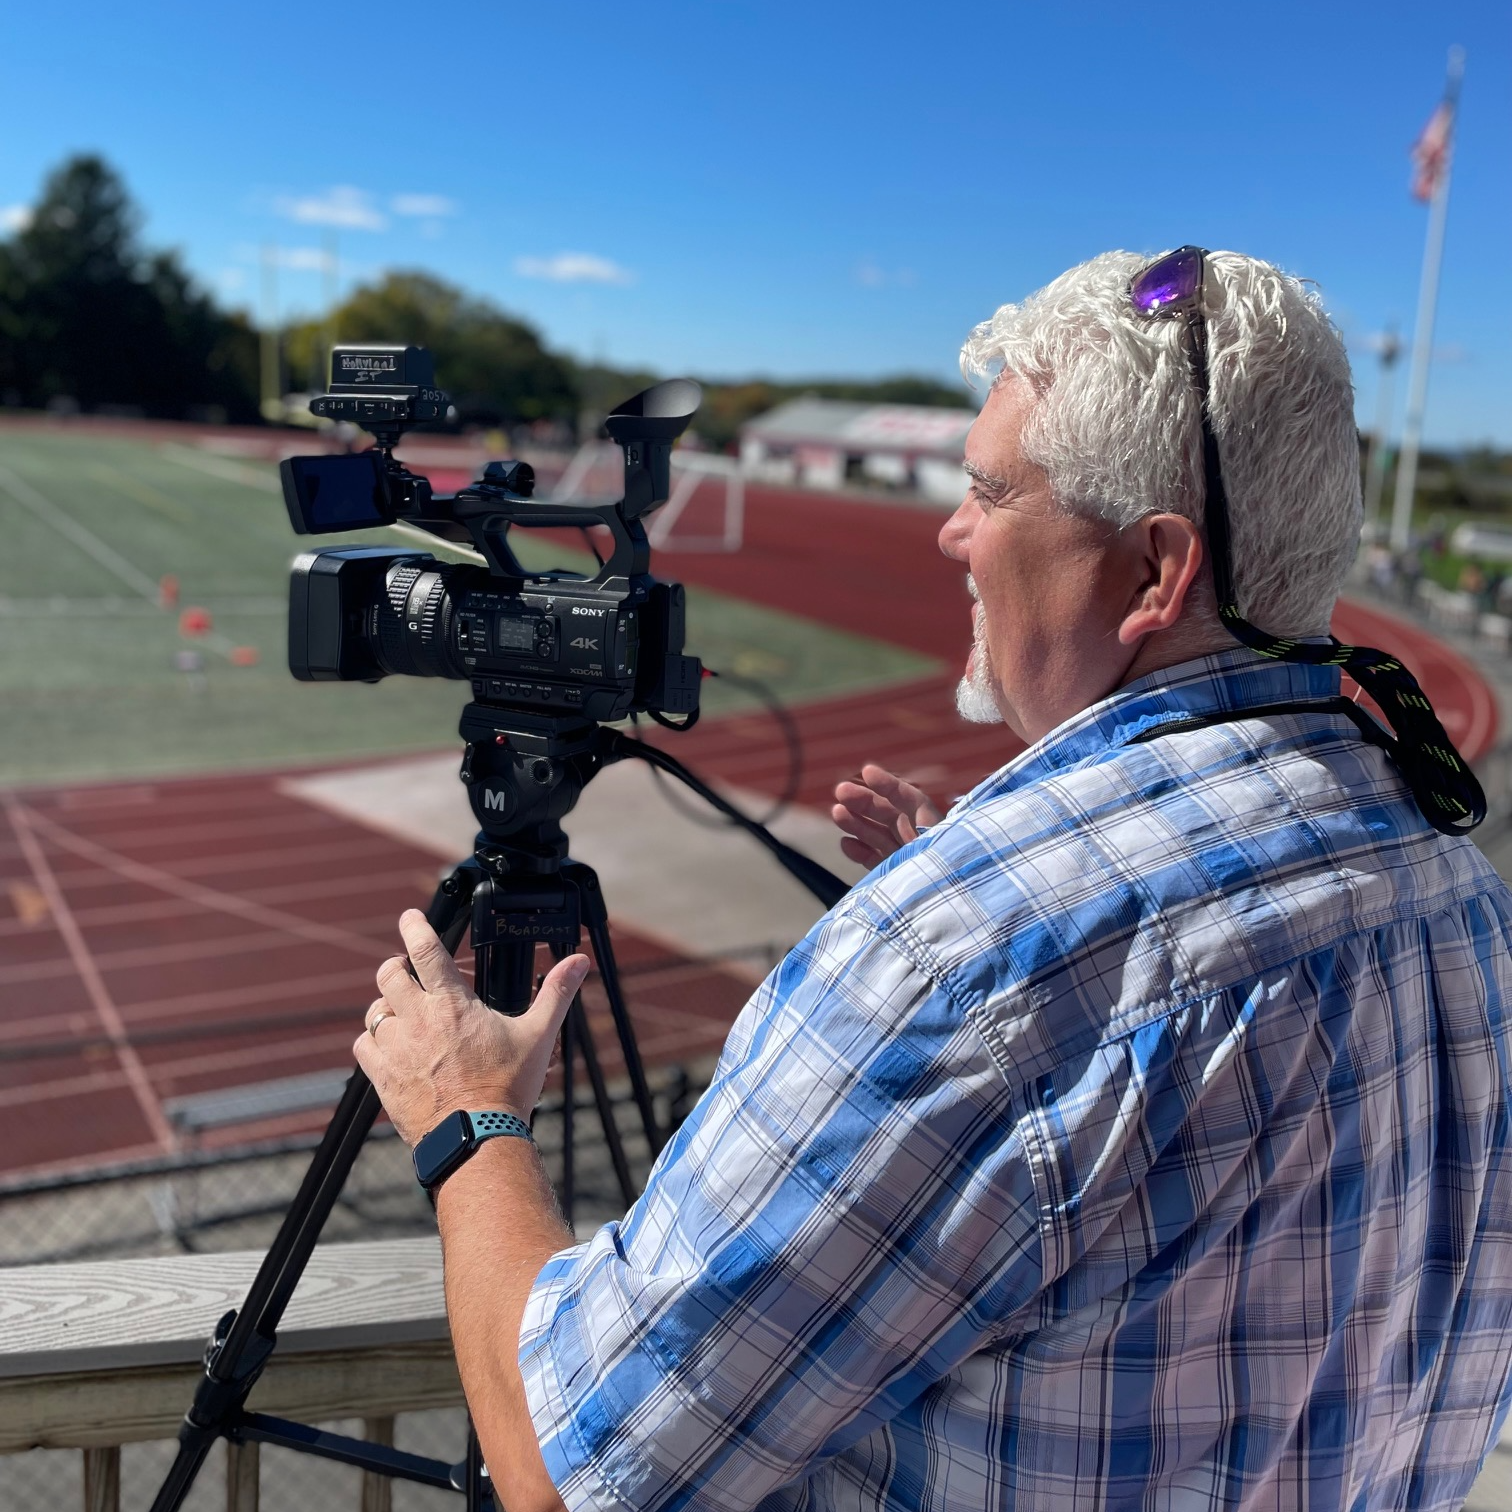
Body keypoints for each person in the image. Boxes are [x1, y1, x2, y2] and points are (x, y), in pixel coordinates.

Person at [356, 249, 1512, 1512]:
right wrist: (1019, 960)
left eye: (988, 490)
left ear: (1155, 571)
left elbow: (566, 1473)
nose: (952, 533)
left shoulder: (967, 957)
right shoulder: (1451, 883)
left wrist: (468, 1115)